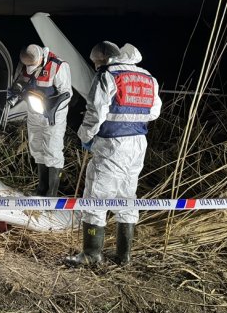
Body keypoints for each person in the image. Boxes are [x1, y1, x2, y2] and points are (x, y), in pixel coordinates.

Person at [64, 41, 161, 267]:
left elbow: (95, 112)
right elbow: (154, 112)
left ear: (103, 59)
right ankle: (124, 256)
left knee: (96, 197)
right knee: (127, 197)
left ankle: (91, 254)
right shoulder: (148, 77)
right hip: (138, 143)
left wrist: (85, 136)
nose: (96, 66)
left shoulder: (107, 75)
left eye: (96, 62)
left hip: (111, 144)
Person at [13, 44, 72, 196]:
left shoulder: (58, 66)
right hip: (34, 112)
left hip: (53, 115)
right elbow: (20, 81)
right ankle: (41, 189)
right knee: (36, 148)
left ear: (40, 59)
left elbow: (66, 93)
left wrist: (52, 107)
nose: (29, 69)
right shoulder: (24, 65)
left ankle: (51, 194)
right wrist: (17, 88)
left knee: (52, 151)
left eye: (32, 66)